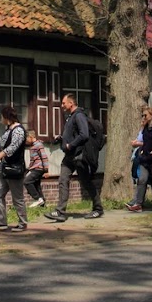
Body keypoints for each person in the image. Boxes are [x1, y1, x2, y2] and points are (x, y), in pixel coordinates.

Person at [44, 94, 103, 222]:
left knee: (86, 181)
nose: (62, 105)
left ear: (71, 103)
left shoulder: (79, 115)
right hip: (70, 156)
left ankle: (98, 209)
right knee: (63, 180)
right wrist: (61, 138)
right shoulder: (70, 117)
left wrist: (71, 144)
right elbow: (72, 134)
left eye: (64, 103)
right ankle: (60, 211)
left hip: (79, 155)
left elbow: (84, 135)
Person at [0, 106, 29, 231]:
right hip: (3, 169)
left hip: (14, 168)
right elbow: (1, 144)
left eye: (2, 117)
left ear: (7, 117)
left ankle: (23, 223)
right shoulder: (8, 130)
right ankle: (1, 221)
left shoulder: (19, 130)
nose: (1, 119)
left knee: (17, 198)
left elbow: (13, 147)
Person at [24, 130, 50, 209]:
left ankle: (38, 199)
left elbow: (44, 157)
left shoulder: (38, 145)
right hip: (34, 168)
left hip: (39, 168)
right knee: (36, 185)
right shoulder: (32, 146)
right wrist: (28, 169)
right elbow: (33, 160)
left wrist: (46, 170)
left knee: (27, 181)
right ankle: (43, 206)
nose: (26, 141)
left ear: (31, 137)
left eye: (26, 139)